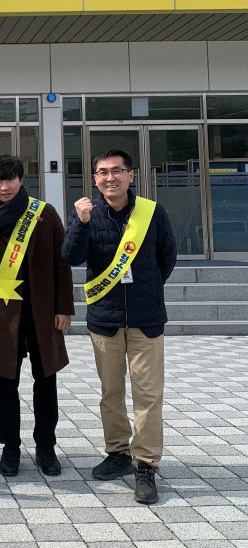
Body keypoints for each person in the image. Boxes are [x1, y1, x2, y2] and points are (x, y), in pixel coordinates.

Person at [62, 149, 176, 504]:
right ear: (94, 178)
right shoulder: (85, 212)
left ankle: (145, 463)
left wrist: (147, 290)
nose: (109, 177)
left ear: (130, 175)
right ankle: (118, 453)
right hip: (105, 319)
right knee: (111, 393)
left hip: (146, 319)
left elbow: (166, 258)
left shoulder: (152, 212)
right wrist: (80, 223)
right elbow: (70, 257)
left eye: (116, 171)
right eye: (102, 172)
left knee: (148, 395)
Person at [0, 155, 74, 478]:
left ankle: (46, 447)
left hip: (42, 313)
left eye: (10, 179)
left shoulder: (44, 214)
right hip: (3, 314)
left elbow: (61, 263)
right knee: (6, 384)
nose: (4, 187)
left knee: (46, 382)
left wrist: (64, 308)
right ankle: (10, 448)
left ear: (21, 179)